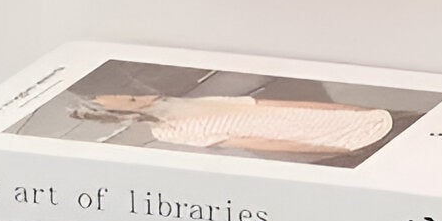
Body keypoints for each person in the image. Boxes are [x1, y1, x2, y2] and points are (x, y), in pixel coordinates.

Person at [74, 91, 394, 157]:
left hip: (329, 116)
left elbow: (273, 103)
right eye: (132, 101)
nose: (144, 96)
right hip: (310, 134)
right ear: (131, 116)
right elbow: (260, 143)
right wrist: (332, 147)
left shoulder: (185, 103)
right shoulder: (172, 131)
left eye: (131, 94)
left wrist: (350, 108)